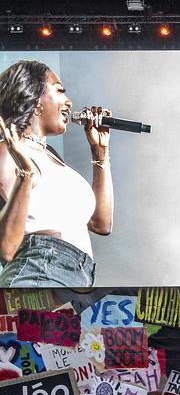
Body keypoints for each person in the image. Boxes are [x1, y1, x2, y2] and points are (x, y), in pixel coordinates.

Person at [0, 61, 114, 288]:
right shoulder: (7, 151)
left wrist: (100, 153)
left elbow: (101, 224)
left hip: (79, 276)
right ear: (35, 100)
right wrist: (25, 173)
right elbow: (6, 247)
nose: (69, 102)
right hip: (38, 271)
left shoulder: (53, 159)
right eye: (60, 90)